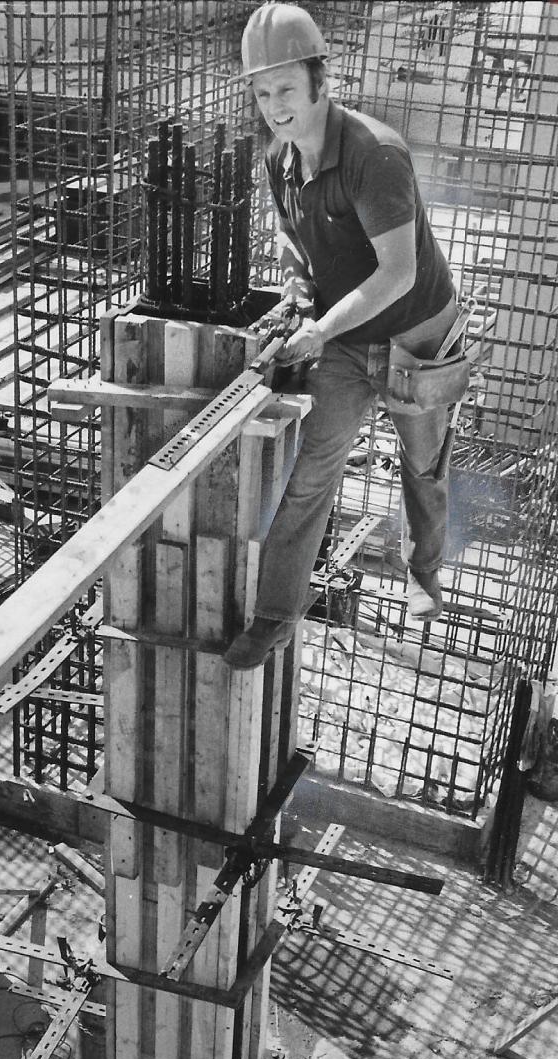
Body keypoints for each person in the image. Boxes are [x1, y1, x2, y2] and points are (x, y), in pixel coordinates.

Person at [225, 1, 460, 669]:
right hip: (349, 342)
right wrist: (298, 298)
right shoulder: (280, 162)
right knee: (311, 478)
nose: (275, 107)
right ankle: (274, 615)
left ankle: (425, 575)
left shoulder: (374, 155)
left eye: (287, 90)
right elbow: (295, 249)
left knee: (423, 468)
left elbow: (398, 273)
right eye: (263, 93)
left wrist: (321, 327)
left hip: (416, 334)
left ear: (321, 83)